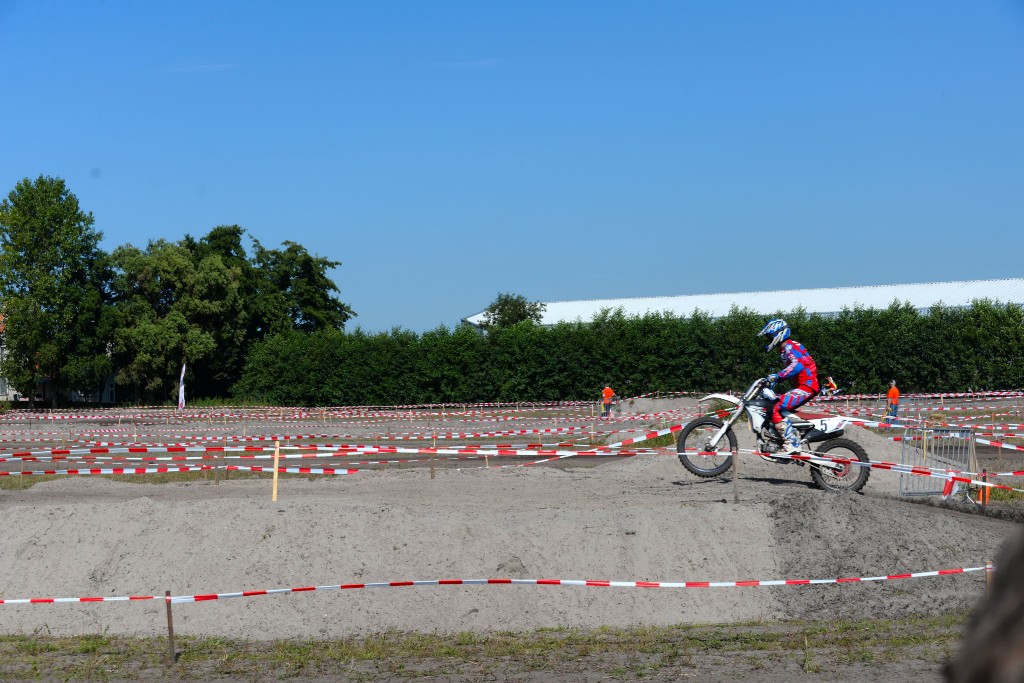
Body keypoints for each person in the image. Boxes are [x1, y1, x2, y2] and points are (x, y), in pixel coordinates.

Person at [758, 318, 819, 453]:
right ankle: (783, 437)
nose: (768, 340)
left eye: (769, 336)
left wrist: (777, 376)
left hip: (806, 386)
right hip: (803, 386)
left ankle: (792, 443)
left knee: (775, 406)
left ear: (778, 334)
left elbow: (797, 365)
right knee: (775, 404)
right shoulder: (786, 348)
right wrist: (774, 381)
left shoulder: (789, 347)